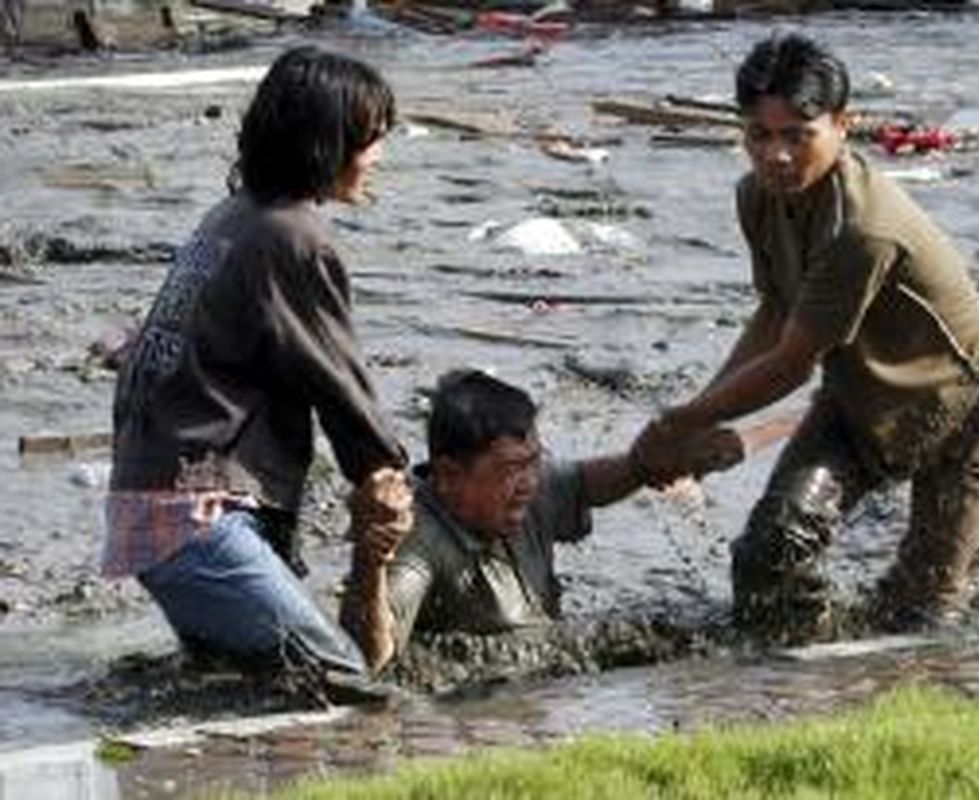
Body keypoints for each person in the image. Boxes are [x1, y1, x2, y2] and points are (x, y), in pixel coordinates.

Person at [636, 34, 979, 639]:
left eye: (798, 135)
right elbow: (774, 315)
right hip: (858, 399)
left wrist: (675, 425)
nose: (777, 156)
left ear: (844, 126)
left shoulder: (862, 229)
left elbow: (791, 363)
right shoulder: (757, 198)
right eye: (760, 135)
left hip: (962, 407)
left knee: (922, 617)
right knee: (771, 550)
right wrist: (700, 426)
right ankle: (794, 676)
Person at [102, 46, 412, 699]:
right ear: (326, 143)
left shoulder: (232, 217)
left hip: (151, 502)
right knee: (348, 690)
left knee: (240, 690)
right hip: (196, 515)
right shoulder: (293, 236)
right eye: (370, 136)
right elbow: (336, 378)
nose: (379, 153)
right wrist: (384, 471)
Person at [342, 370, 739, 663]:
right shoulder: (416, 538)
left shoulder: (530, 487)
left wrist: (650, 461)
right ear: (448, 476)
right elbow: (369, 660)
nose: (529, 483)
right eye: (511, 469)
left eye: (534, 462)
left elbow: (585, 484)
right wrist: (370, 564)